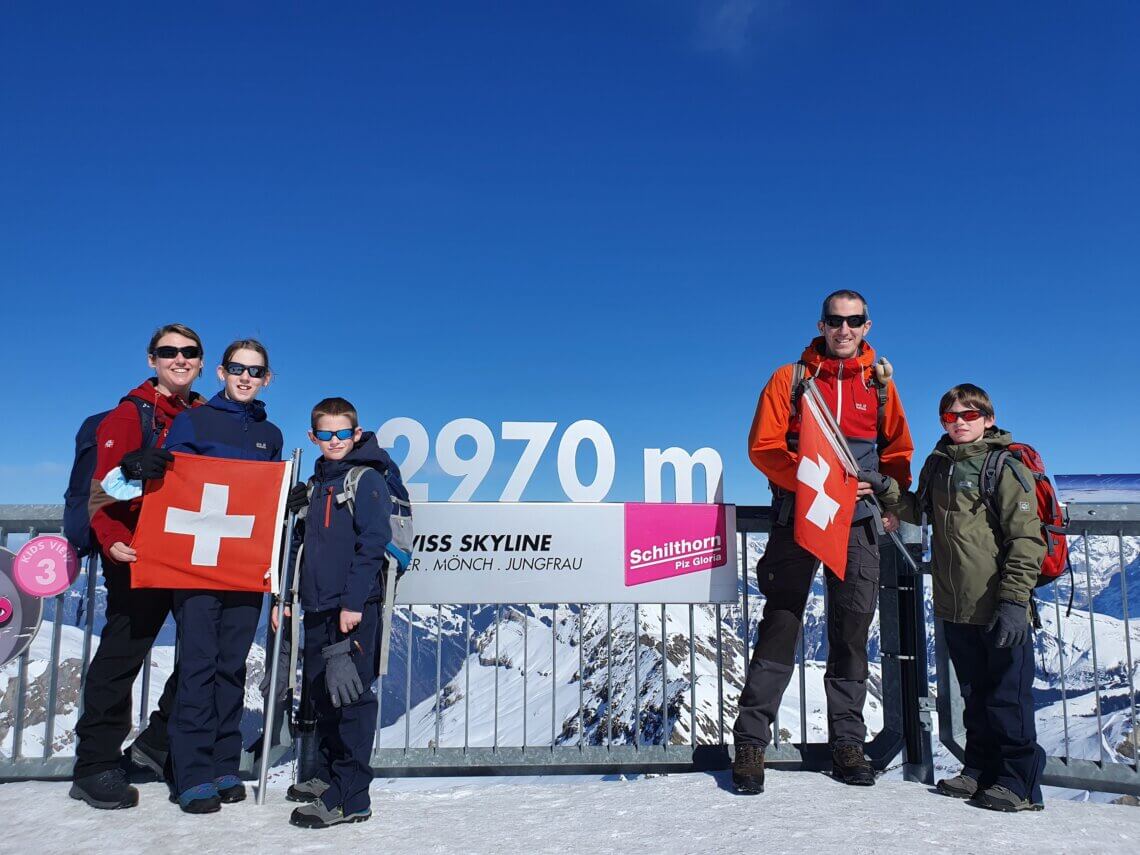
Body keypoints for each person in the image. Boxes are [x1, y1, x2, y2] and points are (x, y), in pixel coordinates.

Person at [731, 290, 914, 794]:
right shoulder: (790, 379)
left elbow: (897, 451)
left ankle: (847, 745)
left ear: (867, 326)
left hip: (858, 525)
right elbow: (764, 448)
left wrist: (889, 498)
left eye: (853, 321)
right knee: (781, 625)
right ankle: (750, 743)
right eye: (835, 320)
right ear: (822, 324)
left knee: (851, 630)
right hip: (800, 519)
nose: (844, 329)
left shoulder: (878, 386)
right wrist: (817, 481)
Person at [866, 383, 1046, 811]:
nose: (959, 422)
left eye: (969, 414)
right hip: (955, 602)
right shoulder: (939, 464)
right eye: (951, 416)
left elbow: (1027, 540)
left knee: (1007, 696)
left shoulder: (1004, 466)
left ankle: (1019, 783)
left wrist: (1014, 602)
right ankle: (980, 771)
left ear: (987, 418)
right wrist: (884, 489)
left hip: (999, 603)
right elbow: (919, 509)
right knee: (974, 694)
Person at [71, 323, 205, 809]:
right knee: (122, 656)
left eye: (189, 352)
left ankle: (156, 745)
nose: (179, 359)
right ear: (152, 359)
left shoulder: (202, 414)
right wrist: (111, 540)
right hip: (137, 554)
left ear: (200, 362)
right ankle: (94, 765)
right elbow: (102, 488)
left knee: (201, 652)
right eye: (169, 351)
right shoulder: (129, 415)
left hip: (189, 553)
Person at [162, 339, 283, 813]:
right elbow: (172, 485)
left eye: (255, 371)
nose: (245, 377)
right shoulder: (192, 420)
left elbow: (264, 495)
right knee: (198, 664)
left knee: (231, 666)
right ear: (220, 372)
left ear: (267, 378)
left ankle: (222, 765)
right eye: (237, 368)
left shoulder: (270, 434)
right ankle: (191, 774)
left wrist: (284, 501)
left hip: (243, 564)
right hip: (196, 561)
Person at [282, 396, 393, 829]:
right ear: (313, 437)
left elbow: (372, 545)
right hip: (316, 607)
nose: (334, 440)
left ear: (357, 434)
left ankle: (351, 797)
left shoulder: (365, 481)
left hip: (352, 611)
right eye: (325, 434)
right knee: (324, 696)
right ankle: (327, 778)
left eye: (342, 433)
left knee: (351, 700)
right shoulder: (320, 483)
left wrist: (352, 604)